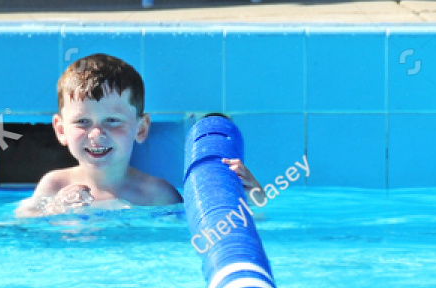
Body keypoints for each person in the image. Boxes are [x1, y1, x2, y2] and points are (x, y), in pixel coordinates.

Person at [17, 54, 257, 216]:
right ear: (61, 129)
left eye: (112, 121)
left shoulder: (157, 195)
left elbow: (209, 231)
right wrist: (54, 211)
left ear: (141, 128)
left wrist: (252, 200)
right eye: (83, 122)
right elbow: (21, 226)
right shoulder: (54, 185)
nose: (97, 134)